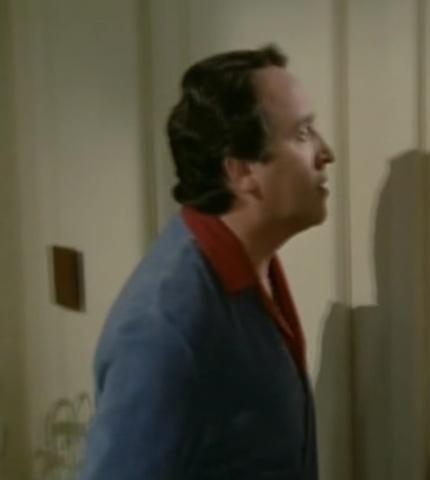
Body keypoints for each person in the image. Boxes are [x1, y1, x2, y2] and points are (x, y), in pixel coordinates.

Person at [79, 45, 334, 479]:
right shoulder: (165, 330)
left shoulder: (253, 264)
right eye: (303, 133)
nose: (326, 152)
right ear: (241, 171)